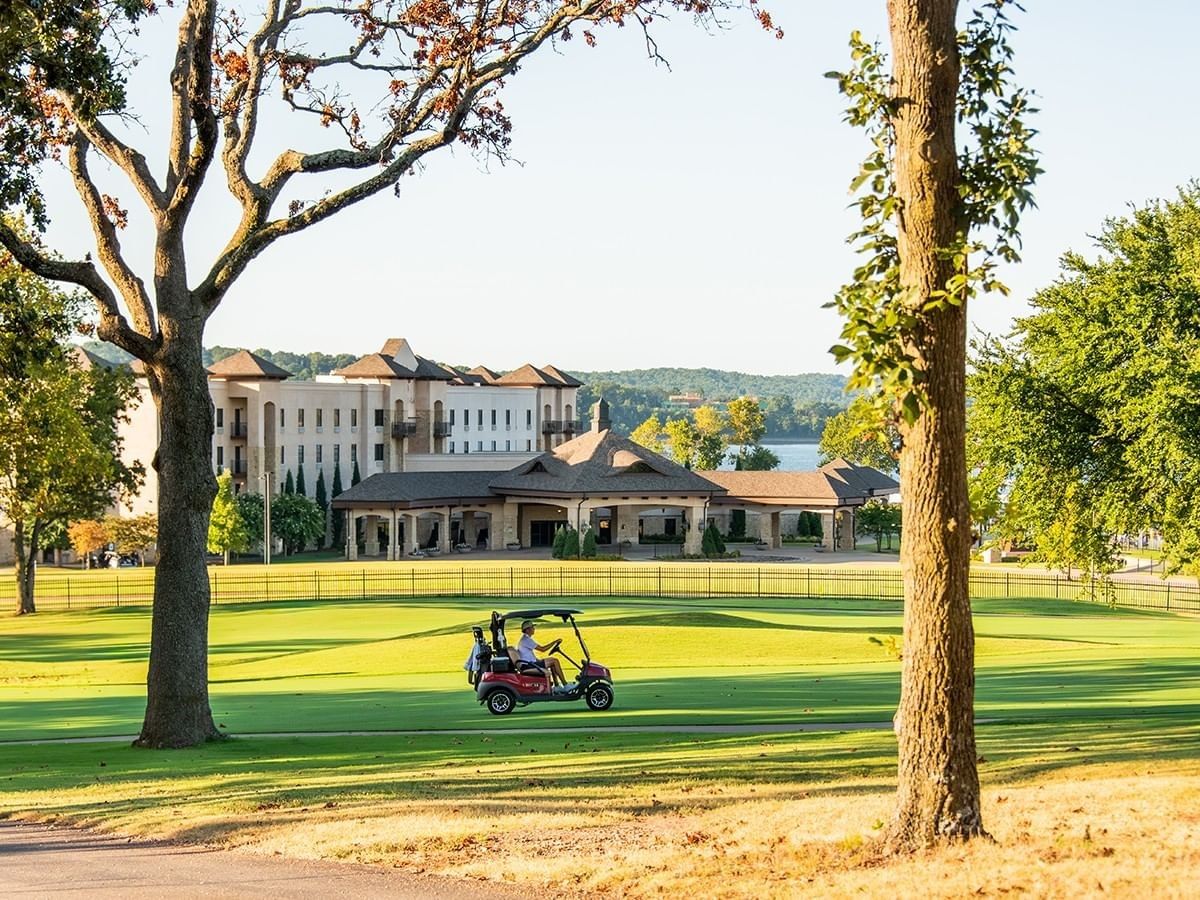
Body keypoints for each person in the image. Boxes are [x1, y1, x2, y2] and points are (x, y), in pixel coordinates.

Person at [516, 620, 566, 687]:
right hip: (528, 665)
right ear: (527, 630)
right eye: (532, 627)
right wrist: (555, 642)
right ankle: (565, 685)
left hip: (530, 663)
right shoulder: (526, 640)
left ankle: (557, 686)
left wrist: (539, 661)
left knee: (552, 663)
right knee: (555, 661)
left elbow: (528, 655)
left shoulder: (526, 639)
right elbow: (543, 649)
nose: (534, 629)